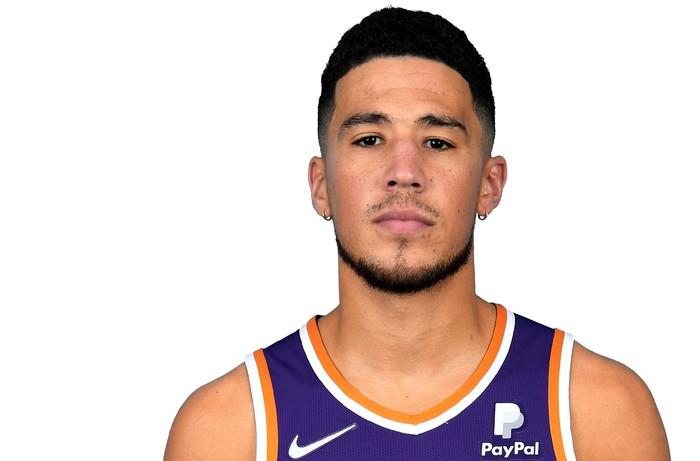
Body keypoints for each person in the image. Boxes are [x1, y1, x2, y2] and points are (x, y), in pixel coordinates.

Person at [164, 7, 670, 461]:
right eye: (369, 139)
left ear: (489, 184)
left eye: (437, 141)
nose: (404, 172)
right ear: (320, 186)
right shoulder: (229, 429)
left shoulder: (595, 411)